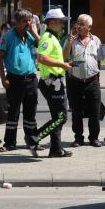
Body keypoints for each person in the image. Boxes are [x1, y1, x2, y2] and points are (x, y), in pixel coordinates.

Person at [0, 8, 40, 154]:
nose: (28, 23)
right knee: (13, 113)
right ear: (16, 22)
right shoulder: (8, 36)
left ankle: (32, 142)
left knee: (30, 113)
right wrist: (3, 78)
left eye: (29, 20)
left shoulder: (30, 35)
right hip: (14, 80)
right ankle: (9, 143)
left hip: (31, 79)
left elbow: (43, 46)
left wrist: (33, 31)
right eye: (24, 21)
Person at [34, 9, 73, 158]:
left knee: (58, 116)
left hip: (55, 82)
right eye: (60, 21)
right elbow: (41, 58)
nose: (63, 24)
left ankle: (56, 148)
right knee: (60, 118)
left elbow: (60, 58)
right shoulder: (48, 38)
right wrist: (62, 65)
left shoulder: (54, 37)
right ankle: (34, 138)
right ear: (51, 22)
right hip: (52, 82)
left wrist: (67, 49)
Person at [64, 14, 104, 147]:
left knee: (94, 111)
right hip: (75, 81)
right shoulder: (71, 40)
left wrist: (97, 76)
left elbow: (98, 60)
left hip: (93, 81)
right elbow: (64, 58)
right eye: (78, 23)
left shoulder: (96, 40)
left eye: (82, 24)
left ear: (89, 27)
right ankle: (78, 138)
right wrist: (69, 43)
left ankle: (94, 138)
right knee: (76, 111)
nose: (78, 26)